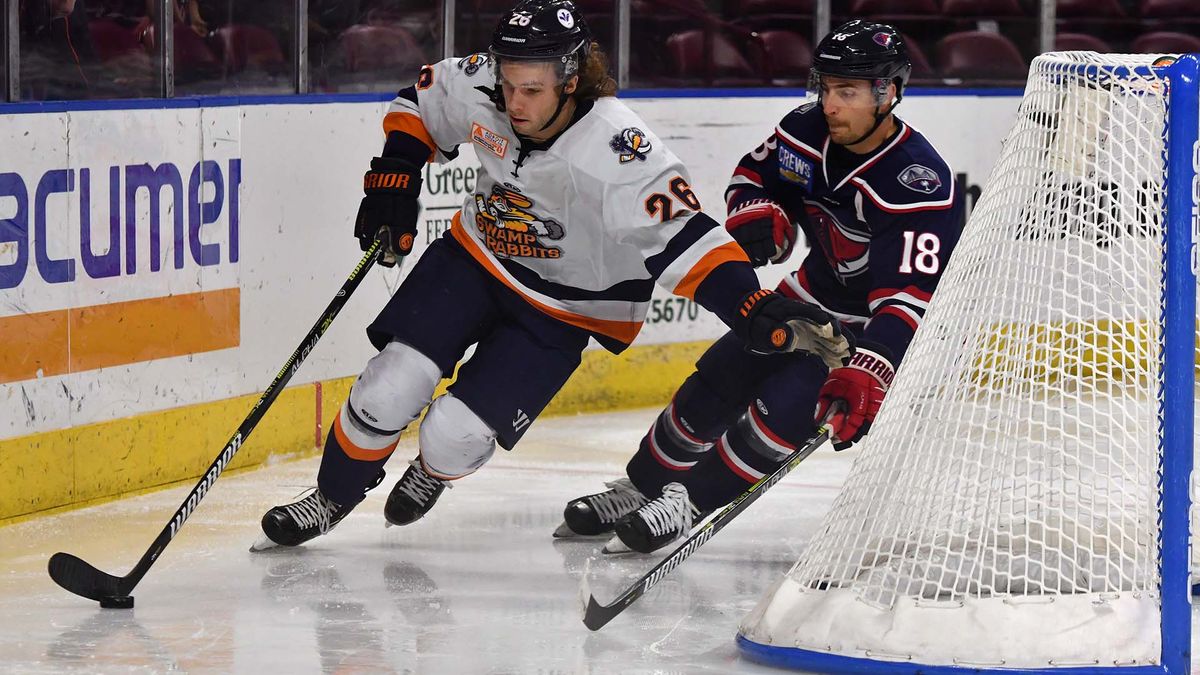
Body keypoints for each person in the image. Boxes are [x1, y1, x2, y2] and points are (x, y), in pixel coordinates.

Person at [251, 0, 852, 551]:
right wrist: (397, 175)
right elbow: (420, 105)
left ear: (571, 79)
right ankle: (331, 497)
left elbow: (685, 237)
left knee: (453, 436)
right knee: (390, 384)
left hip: (566, 306)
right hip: (476, 259)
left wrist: (747, 305)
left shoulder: (621, 148)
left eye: (532, 91)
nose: (514, 104)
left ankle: (433, 472)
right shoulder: (485, 80)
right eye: (508, 85)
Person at [555, 19, 964, 554]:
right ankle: (641, 489)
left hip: (873, 331)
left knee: (782, 411)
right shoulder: (803, 130)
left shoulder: (918, 182)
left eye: (847, 92)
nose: (831, 104)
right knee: (714, 383)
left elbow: (910, 298)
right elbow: (754, 175)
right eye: (826, 87)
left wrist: (872, 366)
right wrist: (756, 210)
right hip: (806, 300)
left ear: (888, 94)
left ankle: (687, 503)